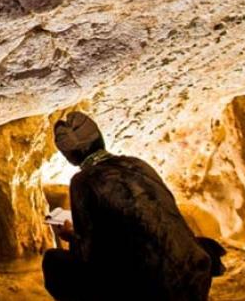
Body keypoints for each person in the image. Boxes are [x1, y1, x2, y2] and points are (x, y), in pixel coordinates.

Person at [42, 112, 225, 301]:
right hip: (193, 275)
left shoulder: (83, 181)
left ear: (70, 156)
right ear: (100, 139)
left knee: (54, 262)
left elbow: (90, 252)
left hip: (149, 289)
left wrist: (71, 235)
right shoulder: (138, 164)